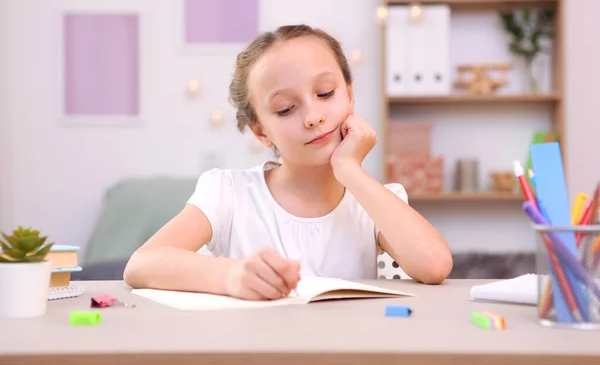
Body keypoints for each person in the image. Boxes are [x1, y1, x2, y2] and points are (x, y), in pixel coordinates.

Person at [123, 24, 453, 300]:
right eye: (285, 109)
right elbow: (142, 265)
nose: (313, 117)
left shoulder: (374, 200)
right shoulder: (228, 192)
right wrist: (231, 276)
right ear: (261, 131)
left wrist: (350, 170)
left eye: (325, 93)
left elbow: (434, 265)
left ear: (349, 94)